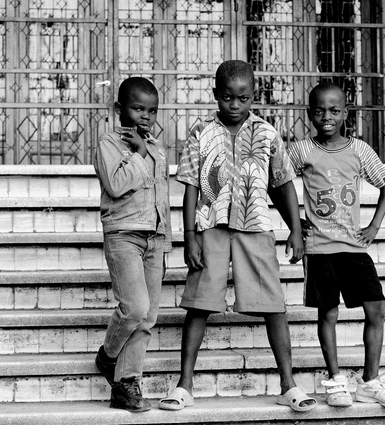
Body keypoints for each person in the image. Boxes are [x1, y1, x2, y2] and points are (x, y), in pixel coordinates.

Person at [159, 60, 318, 413]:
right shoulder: (201, 132)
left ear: (253, 97)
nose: (235, 105)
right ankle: (184, 385)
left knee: (273, 305)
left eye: (243, 98)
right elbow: (189, 186)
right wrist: (189, 236)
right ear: (216, 95)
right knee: (199, 304)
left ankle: (288, 384)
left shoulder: (267, 133)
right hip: (210, 227)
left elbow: (283, 183)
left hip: (255, 227)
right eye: (228, 97)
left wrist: (296, 228)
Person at [287, 82, 385, 409]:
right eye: (319, 110)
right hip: (319, 248)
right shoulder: (301, 150)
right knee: (328, 312)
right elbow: (279, 183)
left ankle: (370, 381)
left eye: (334, 110)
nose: (326, 116)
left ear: (345, 113)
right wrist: (295, 226)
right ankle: (336, 380)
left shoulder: (359, 150)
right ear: (309, 113)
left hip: (354, 248)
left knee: (377, 308)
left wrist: (373, 226)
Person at [92, 77, 171, 412]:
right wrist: (138, 153)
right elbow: (117, 184)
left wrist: (166, 236)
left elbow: (161, 192)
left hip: (154, 236)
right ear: (119, 109)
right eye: (138, 108)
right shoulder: (109, 143)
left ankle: (126, 385)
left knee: (148, 317)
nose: (145, 116)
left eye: (151, 111)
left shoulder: (156, 146)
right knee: (134, 308)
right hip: (123, 235)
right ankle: (108, 355)